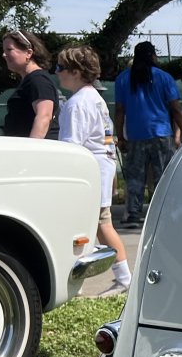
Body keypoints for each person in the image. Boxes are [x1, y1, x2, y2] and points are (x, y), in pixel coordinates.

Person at [56, 45, 133, 297]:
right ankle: (121, 278)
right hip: (101, 166)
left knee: (96, 225)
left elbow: (71, 146)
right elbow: (108, 138)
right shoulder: (95, 98)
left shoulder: (76, 104)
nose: (57, 73)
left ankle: (121, 279)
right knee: (100, 224)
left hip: (88, 171)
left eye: (61, 68)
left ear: (76, 72)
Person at [113, 41, 182, 229]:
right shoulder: (164, 77)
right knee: (163, 176)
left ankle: (133, 215)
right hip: (162, 134)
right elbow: (176, 108)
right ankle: (165, 213)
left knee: (135, 177)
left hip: (136, 135)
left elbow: (120, 111)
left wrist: (121, 137)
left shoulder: (123, 79)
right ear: (153, 56)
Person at [1, 30, 59, 139]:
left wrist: (31, 151)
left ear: (28, 53)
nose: (4, 55)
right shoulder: (30, 80)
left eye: (9, 49)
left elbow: (44, 116)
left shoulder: (38, 80)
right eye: (4, 50)